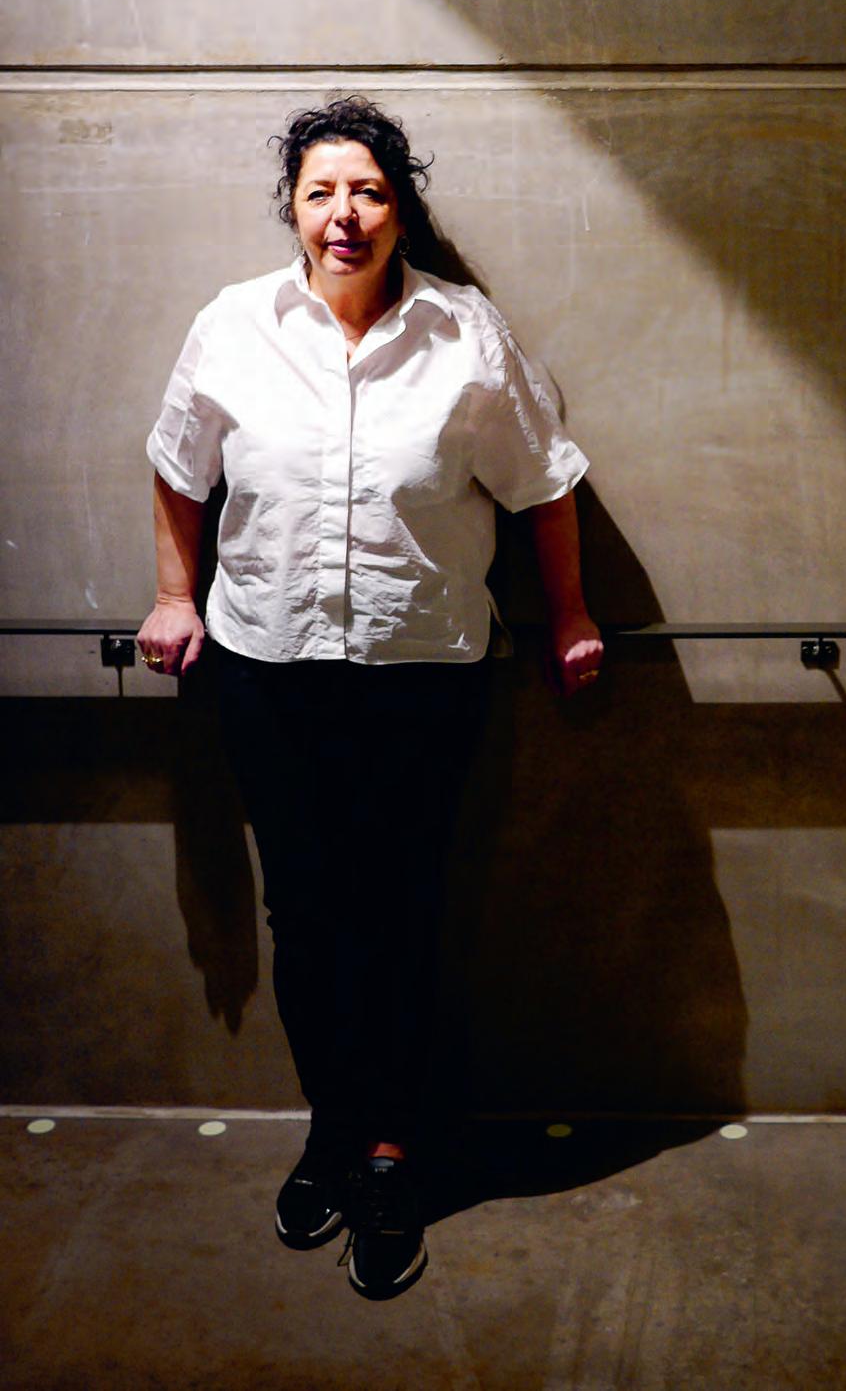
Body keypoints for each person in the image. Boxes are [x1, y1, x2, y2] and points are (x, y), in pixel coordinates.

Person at [137, 95, 602, 1301]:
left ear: (400, 208)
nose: (344, 214)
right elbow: (180, 466)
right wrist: (175, 595)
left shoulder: (465, 333)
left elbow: (545, 483)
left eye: (369, 191)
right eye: (322, 192)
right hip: (268, 669)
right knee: (305, 914)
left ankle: (392, 1154)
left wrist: (571, 615)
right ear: (292, 208)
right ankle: (333, 1130)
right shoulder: (234, 326)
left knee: (401, 913)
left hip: (422, 673)